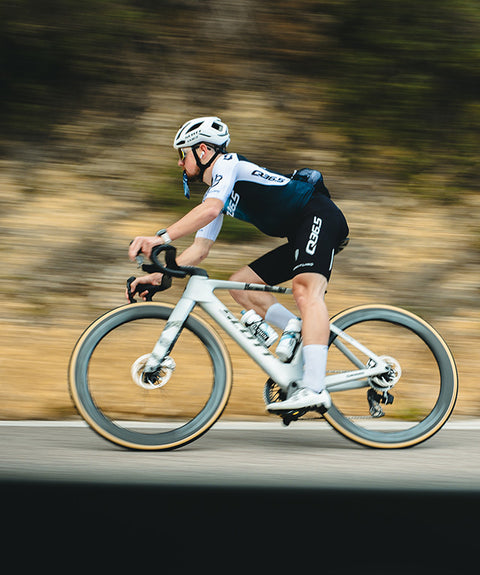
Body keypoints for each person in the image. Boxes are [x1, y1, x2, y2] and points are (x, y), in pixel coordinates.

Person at [128, 116, 349, 413]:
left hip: (319, 215)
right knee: (241, 286)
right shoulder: (217, 193)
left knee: (305, 291)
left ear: (203, 150)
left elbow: (210, 211)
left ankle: (314, 388)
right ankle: (298, 329)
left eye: (183, 154)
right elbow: (199, 250)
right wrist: (158, 277)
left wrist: (160, 238)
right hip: (300, 231)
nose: (180, 162)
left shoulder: (227, 164)